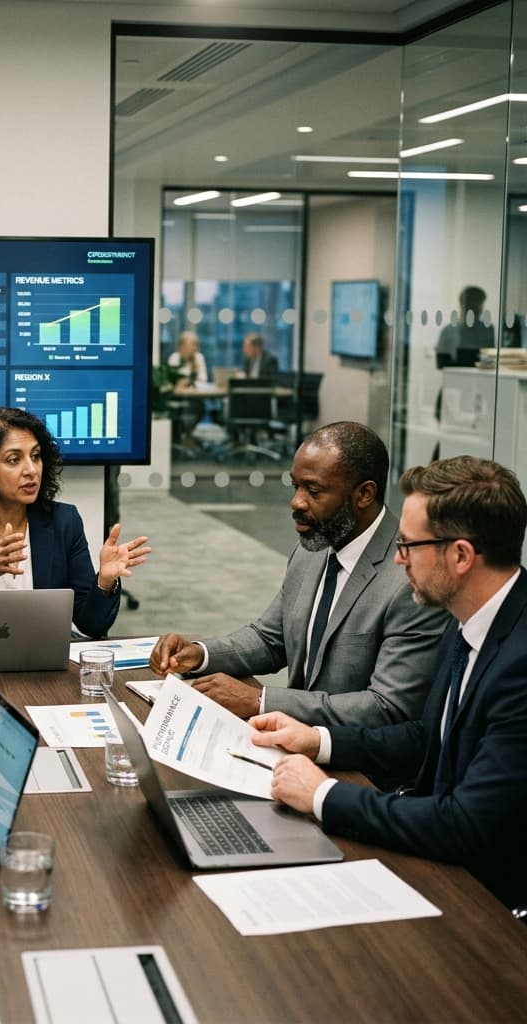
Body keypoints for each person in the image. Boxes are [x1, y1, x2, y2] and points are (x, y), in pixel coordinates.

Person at [250, 455, 527, 910]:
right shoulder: (470, 618)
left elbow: (466, 824)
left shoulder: (520, 663)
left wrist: (322, 794)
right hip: (443, 853)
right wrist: (317, 740)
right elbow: (426, 737)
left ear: (460, 556)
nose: (399, 560)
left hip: (490, 901)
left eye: (408, 546)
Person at [150, 422, 448, 727]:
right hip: (294, 742)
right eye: (295, 486)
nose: (296, 502)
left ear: (364, 494)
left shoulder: (411, 578)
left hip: (360, 763)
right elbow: (270, 640)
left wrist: (260, 701)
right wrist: (199, 654)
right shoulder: (313, 546)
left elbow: (387, 707)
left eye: (313, 490)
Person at [0, 407, 150, 640]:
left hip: (44, 664)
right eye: (13, 460)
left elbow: (92, 625)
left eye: (36, 456)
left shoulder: (64, 522)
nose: (31, 470)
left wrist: (105, 581)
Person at [435, 286, 494, 370]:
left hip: (481, 380)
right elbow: (441, 363)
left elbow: (491, 363)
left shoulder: (488, 330)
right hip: (456, 380)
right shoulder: (448, 331)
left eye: (479, 303)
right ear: (462, 304)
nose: (477, 307)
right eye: (473, 303)